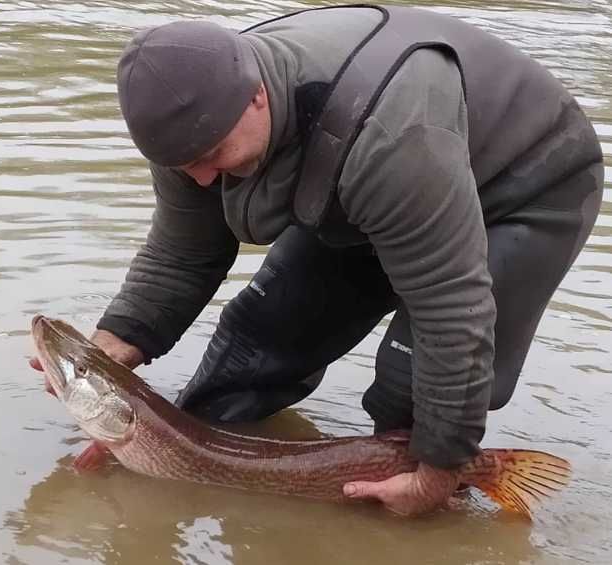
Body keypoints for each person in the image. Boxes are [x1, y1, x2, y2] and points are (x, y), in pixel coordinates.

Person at [31, 5, 603, 515]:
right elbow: (184, 249)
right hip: (370, 183)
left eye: (212, 157)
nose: (203, 178)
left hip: (519, 187)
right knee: (253, 345)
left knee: (411, 396)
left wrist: (440, 466)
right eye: (186, 166)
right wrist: (111, 348)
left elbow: (451, 308)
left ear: (256, 96)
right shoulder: (187, 127)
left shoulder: (386, 140)